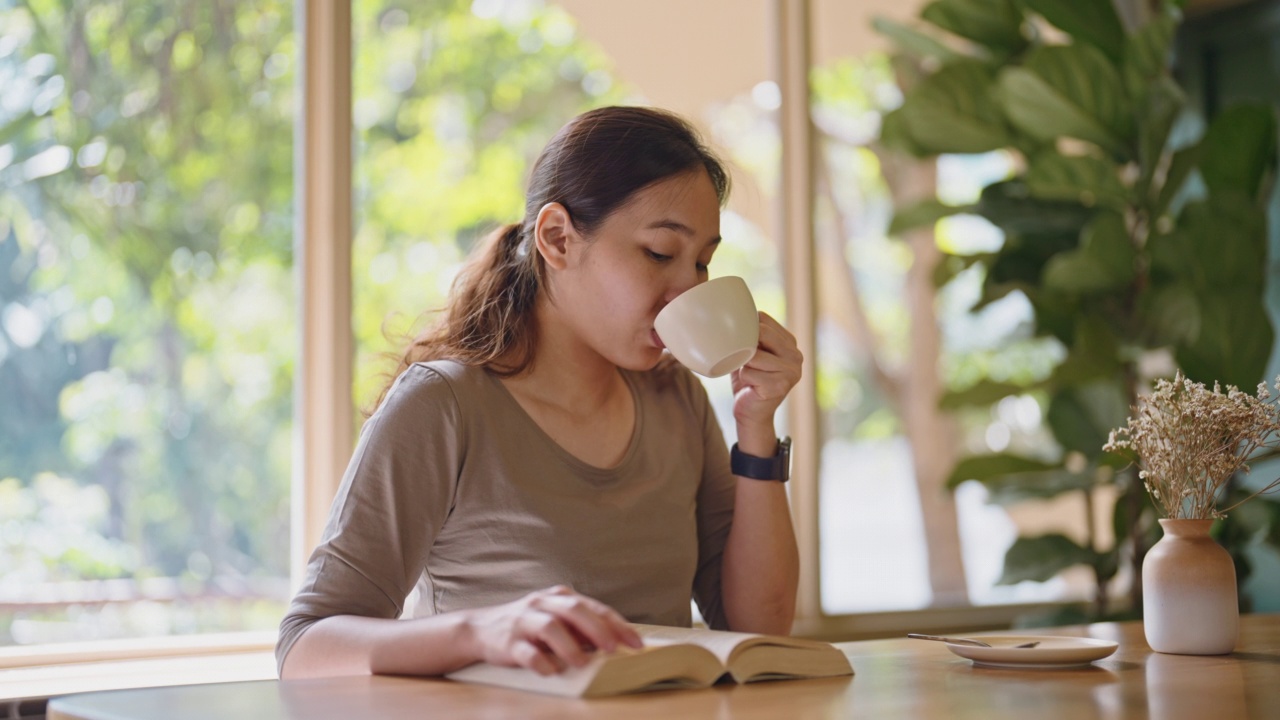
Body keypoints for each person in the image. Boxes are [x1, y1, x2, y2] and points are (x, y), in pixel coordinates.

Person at [276, 106, 802, 680]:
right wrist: (484, 630)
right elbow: (306, 648)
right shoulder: (443, 405)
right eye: (659, 254)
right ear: (557, 240)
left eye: (702, 262)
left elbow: (759, 627)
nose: (688, 289)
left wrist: (757, 428)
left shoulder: (675, 396)